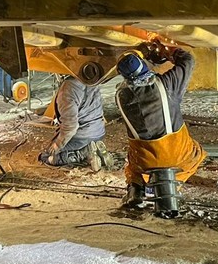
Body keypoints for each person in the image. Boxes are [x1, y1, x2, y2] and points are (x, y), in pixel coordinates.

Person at [115, 43, 206, 205]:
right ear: (144, 67)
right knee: (197, 155)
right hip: (177, 155)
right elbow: (188, 61)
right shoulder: (167, 85)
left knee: (132, 165)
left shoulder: (122, 96)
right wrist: (168, 51)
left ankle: (135, 188)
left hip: (144, 161)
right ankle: (173, 186)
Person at [37, 76, 110, 170]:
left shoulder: (67, 90)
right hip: (99, 132)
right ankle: (95, 148)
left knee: (47, 156)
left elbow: (71, 127)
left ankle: (85, 152)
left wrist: (57, 144)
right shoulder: (91, 80)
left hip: (83, 136)